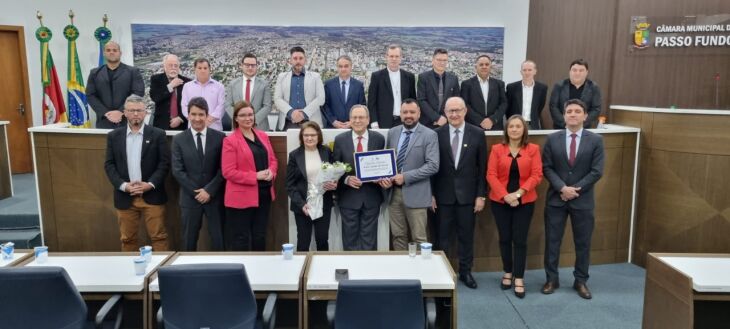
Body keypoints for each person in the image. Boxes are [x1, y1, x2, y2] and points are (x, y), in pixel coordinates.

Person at [541, 99, 604, 299]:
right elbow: (547, 167)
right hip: (556, 199)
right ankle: (552, 279)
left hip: (582, 200)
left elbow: (596, 171)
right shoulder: (552, 139)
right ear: (564, 115)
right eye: (569, 111)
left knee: (583, 243)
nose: (573, 114)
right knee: (552, 241)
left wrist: (574, 189)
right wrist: (562, 187)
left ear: (585, 116)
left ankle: (581, 280)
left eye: (577, 111)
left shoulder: (595, 140)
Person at [432, 97, 487, 289]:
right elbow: (431, 167)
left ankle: (466, 272)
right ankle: (442, 272)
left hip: (468, 197)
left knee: (466, 236)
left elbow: (483, 168)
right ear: (445, 113)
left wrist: (481, 195)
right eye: (450, 111)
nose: (454, 114)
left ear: (465, 111)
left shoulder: (478, 134)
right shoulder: (436, 134)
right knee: (442, 237)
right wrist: (430, 193)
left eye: (458, 110)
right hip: (442, 196)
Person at [487, 114, 543, 298]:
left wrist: (518, 194)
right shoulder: (496, 149)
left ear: (524, 129)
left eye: (518, 126)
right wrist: (506, 196)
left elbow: (537, 175)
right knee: (504, 238)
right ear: (506, 129)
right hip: (500, 201)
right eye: (511, 126)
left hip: (524, 201)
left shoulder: (533, 149)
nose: (514, 129)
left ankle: (519, 277)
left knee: (520, 240)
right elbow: (491, 175)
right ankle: (507, 272)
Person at [103, 95, 169, 251]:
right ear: (124, 113)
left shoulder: (158, 134)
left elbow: (164, 164)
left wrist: (150, 184)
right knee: (128, 240)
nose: (136, 114)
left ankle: (161, 274)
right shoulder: (114, 136)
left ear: (145, 112)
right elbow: (109, 165)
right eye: (132, 110)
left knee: (159, 237)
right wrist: (124, 186)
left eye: (139, 110)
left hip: (152, 196)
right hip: (125, 197)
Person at [379, 99, 439, 250]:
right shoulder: (392, 133)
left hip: (417, 193)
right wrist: (385, 178)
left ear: (419, 114)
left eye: (412, 112)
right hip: (394, 194)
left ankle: (421, 272)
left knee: (419, 238)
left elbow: (433, 166)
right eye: (405, 112)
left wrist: (405, 177)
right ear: (400, 114)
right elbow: (388, 162)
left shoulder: (429, 134)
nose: (408, 115)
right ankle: (402, 270)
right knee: (398, 236)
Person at [171, 97, 226, 251]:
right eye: (193, 114)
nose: (197, 118)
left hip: (214, 197)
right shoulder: (179, 139)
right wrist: (197, 192)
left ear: (207, 115)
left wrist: (208, 191)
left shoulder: (220, 137)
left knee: (218, 240)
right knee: (189, 241)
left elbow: (223, 169)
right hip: (190, 198)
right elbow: (177, 170)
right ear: (188, 115)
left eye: (201, 114)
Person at [221, 101, 278, 251]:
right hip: (241, 198)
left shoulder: (263, 136)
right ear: (236, 119)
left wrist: (271, 172)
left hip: (264, 195)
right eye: (243, 115)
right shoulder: (230, 141)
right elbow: (228, 171)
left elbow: (273, 160)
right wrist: (255, 176)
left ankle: (259, 271)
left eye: (250, 114)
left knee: (260, 236)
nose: (248, 118)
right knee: (241, 238)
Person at [333, 105, 386, 251]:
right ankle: (352, 271)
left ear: (368, 120)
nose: (357, 120)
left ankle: (368, 272)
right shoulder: (340, 139)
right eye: (354, 117)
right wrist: (346, 179)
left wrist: (381, 178)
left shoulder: (379, 139)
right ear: (349, 120)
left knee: (369, 241)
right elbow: (335, 168)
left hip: (372, 197)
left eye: (361, 117)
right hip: (348, 198)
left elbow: (383, 165)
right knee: (349, 241)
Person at [285, 121, 336, 251]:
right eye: (306, 135)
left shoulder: (326, 151)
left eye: (313, 135)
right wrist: (302, 204)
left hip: (323, 203)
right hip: (303, 205)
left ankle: (322, 270)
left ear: (318, 136)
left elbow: (333, 174)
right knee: (303, 241)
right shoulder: (294, 155)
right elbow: (289, 185)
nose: (309, 138)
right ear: (301, 137)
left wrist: (334, 184)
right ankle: (302, 270)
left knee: (322, 240)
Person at [87, 41, 144, 129]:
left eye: (114, 50)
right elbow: (90, 95)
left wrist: (121, 111)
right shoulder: (94, 73)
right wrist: (106, 113)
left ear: (120, 53)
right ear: (104, 53)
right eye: (108, 50)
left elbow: (138, 93)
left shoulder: (133, 72)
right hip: (104, 120)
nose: (111, 52)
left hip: (128, 120)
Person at [274, 46, 326, 130]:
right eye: (295, 58)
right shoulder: (282, 77)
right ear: (290, 61)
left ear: (305, 60)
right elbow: (277, 99)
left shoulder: (315, 77)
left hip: (311, 122)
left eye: (301, 58)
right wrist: (291, 113)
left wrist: (303, 114)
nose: (298, 61)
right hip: (289, 122)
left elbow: (321, 98)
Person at [368, 44, 417, 129]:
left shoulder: (409, 77)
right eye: (391, 56)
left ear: (401, 57)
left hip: (405, 121)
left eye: (396, 56)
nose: (394, 59)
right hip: (383, 122)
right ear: (386, 57)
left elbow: (413, 101)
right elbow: (372, 102)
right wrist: (374, 122)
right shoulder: (377, 76)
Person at [225, 53, 273, 131]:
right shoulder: (233, 84)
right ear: (242, 66)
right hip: (238, 127)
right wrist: (239, 119)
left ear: (257, 66)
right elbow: (228, 105)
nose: (250, 68)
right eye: (247, 65)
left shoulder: (264, 84)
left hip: (259, 127)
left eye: (253, 65)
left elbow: (267, 106)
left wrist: (253, 121)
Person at [549, 59, 602, 129]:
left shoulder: (593, 87)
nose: (577, 73)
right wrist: (565, 123)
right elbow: (553, 107)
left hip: (584, 128)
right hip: (561, 127)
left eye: (581, 70)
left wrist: (581, 123)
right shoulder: (559, 86)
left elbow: (596, 109)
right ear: (570, 71)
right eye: (574, 70)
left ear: (586, 72)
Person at [461, 55, 508, 131]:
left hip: (495, 126)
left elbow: (503, 104)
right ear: (476, 67)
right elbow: (464, 105)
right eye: (481, 64)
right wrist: (480, 121)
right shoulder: (466, 84)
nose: (484, 67)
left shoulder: (499, 84)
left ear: (490, 67)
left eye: (487, 64)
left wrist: (492, 120)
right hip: (473, 126)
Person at [417, 48, 460, 128]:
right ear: (433, 60)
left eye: (444, 60)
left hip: (447, 122)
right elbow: (421, 100)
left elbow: (456, 101)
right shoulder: (423, 77)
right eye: (439, 60)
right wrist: (437, 118)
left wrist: (445, 117)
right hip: (427, 122)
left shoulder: (453, 79)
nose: (442, 63)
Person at [180, 58, 226, 131]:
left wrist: (208, 120)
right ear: (195, 69)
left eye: (205, 68)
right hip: (193, 128)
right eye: (199, 68)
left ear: (209, 69)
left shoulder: (219, 86)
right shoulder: (187, 86)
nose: (202, 70)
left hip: (214, 128)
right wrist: (196, 120)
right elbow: (184, 106)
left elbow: (221, 106)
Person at [322, 55, 366, 128]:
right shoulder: (329, 84)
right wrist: (333, 121)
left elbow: (362, 106)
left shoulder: (358, 85)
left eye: (346, 66)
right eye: (340, 66)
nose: (343, 69)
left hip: (353, 127)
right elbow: (325, 105)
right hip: (333, 127)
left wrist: (352, 122)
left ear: (351, 67)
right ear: (337, 68)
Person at [149, 54, 191, 130]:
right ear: (164, 67)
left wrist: (181, 118)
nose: (173, 68)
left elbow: (191, 104)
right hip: (161, 125)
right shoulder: (156, 79)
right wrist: (170, 86)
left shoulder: (187, 82)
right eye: (170, 65)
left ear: (179, 67)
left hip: (182, 125)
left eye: (176, 66)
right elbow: (155, 97)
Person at [506, 60, 548, 130]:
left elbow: (540, 106)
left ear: (535, 71)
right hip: (515, 125)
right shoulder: (511, 87)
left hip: (533, 125)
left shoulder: (542, 88)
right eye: (524, 70)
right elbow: (507, 107)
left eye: (530, 70)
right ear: (521, 72)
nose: (527, 72)